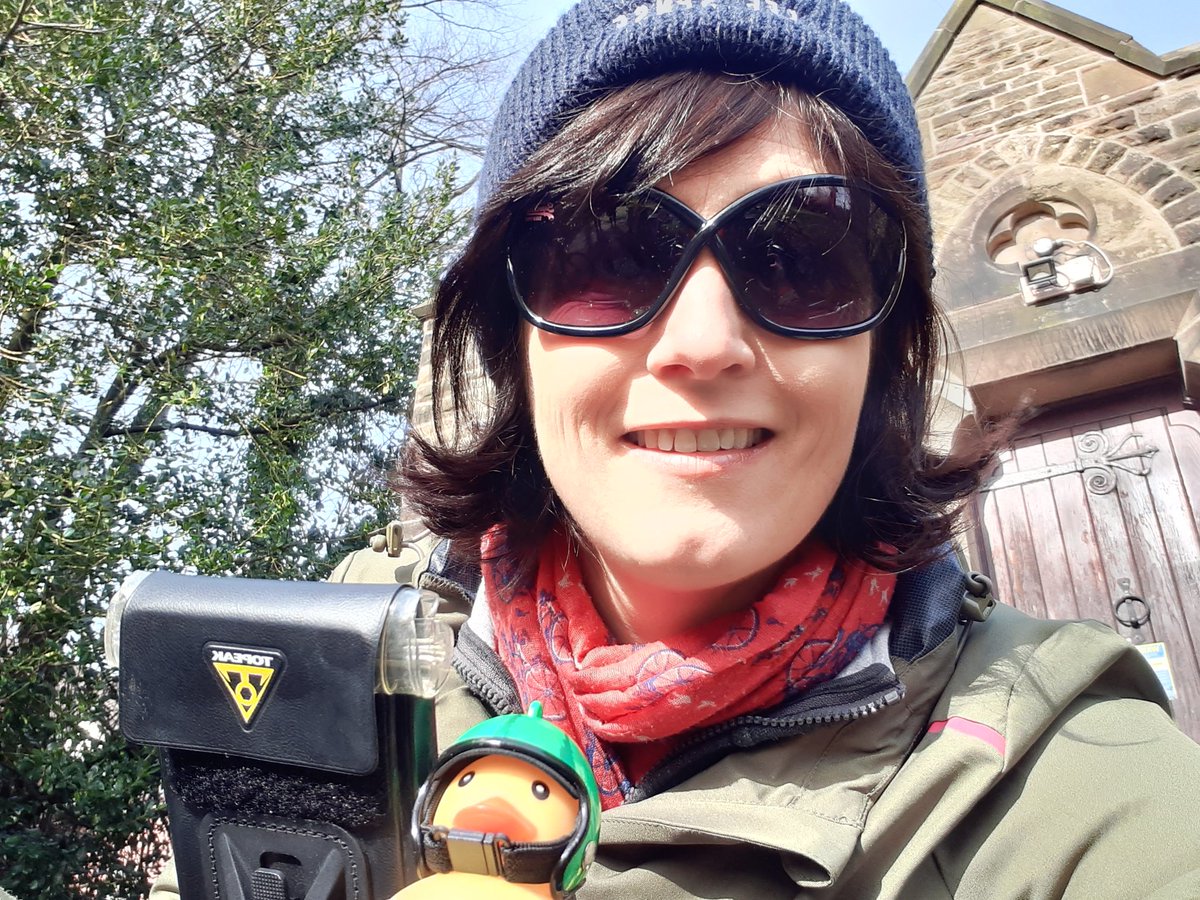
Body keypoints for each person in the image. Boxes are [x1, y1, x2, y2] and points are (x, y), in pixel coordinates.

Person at [149, 0, 1200, 897]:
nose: (703, 343)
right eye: (605, 254)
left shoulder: (1071, 782)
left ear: (885, 355)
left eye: (804, 257)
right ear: (510, 345)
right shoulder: (326, 670)